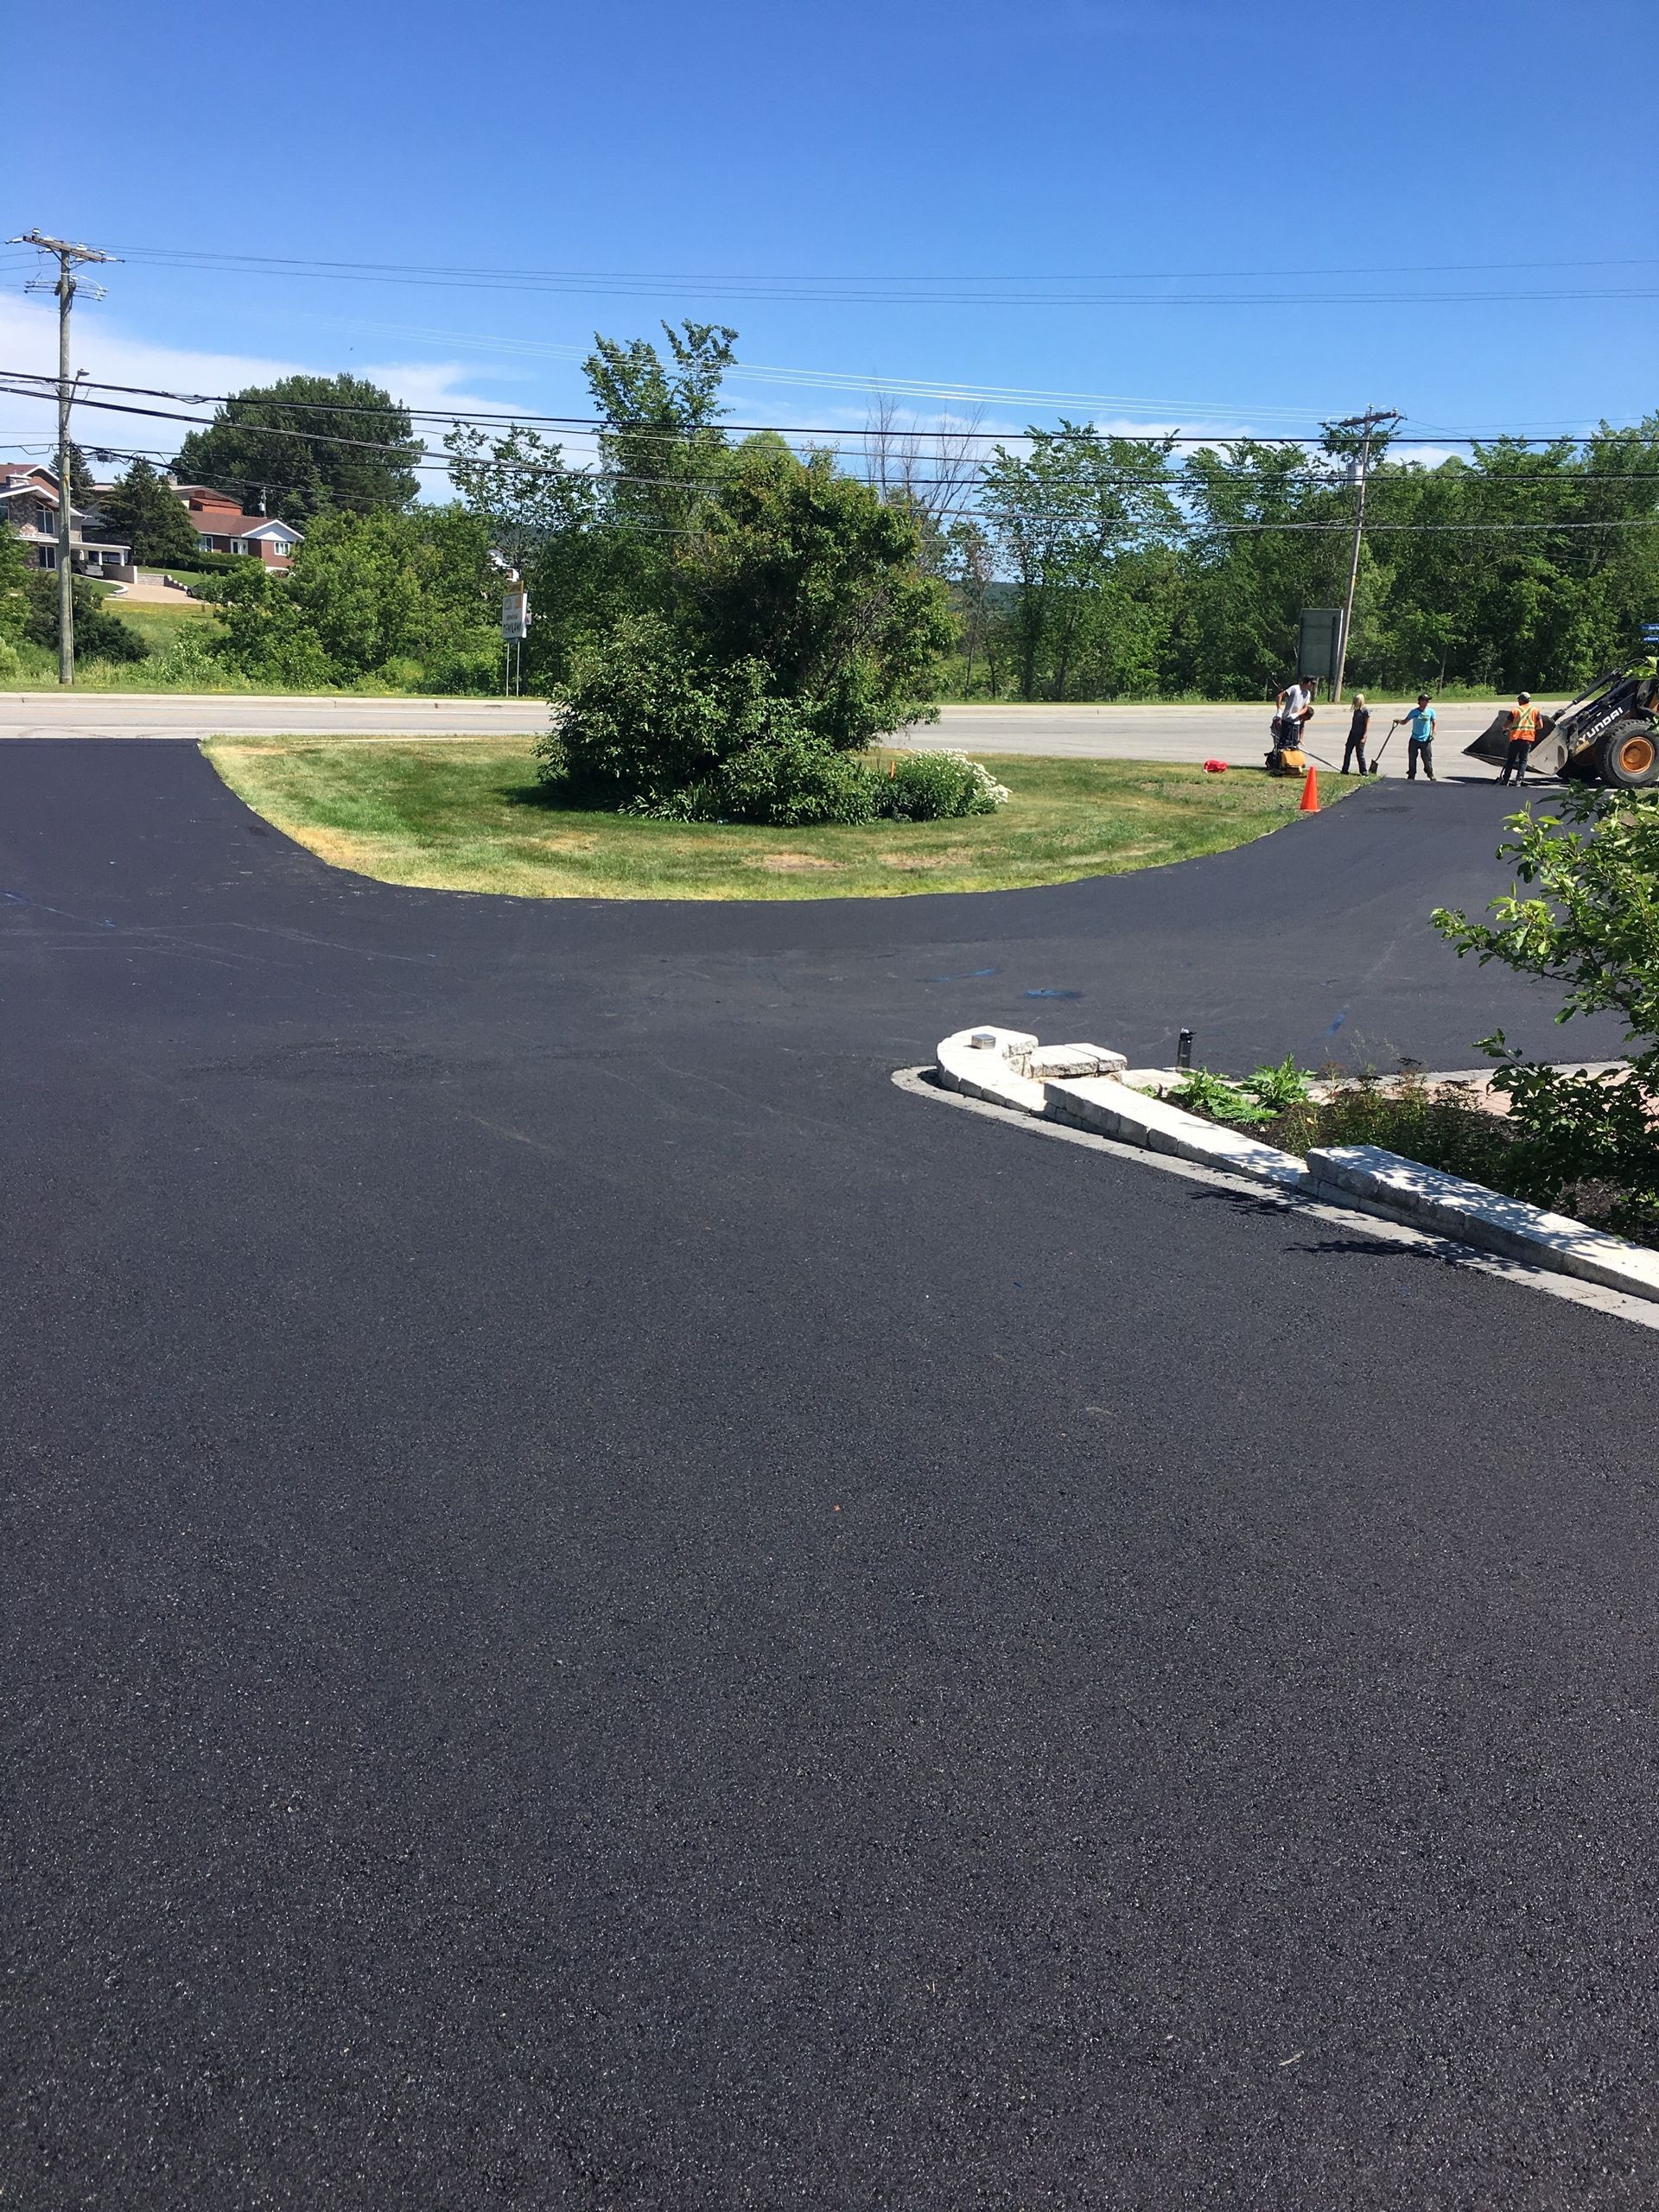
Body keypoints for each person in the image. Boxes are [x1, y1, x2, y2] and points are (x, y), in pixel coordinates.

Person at [1497, 690, 1539, 785]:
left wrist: (1505, 730)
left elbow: (1505, 725)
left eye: (1519, 700)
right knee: (1523, 761)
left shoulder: (1515, 711)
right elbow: (1540, 725)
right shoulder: (1535, 711)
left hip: (1515, 739)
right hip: (1528, 739)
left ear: (1521, 700)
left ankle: (1506, 780)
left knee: (1510, 760)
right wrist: (1532, 728)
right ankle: (1519, 781)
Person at [1402, 693, 1437, 782]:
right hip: (1414, 739)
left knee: (1427, 758)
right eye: (1424, 701)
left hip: (1426, 740)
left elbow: (1434, 723)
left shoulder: (1431, 712)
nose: (1426, 703)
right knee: (1412, 758)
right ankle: (1411, 775)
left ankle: (1430, 773)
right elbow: (1405, 721)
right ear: (1420, 702)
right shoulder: (1414, 712)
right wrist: (1399, 721)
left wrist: (1433, 733)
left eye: (1427, 701)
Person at [1342, 692, 1371, 775]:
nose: (1355, 702)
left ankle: (1364, 771)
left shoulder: (1365, 711)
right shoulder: (1356, 711)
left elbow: (1367, 725)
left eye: (1356, 701)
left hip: (1360, 735)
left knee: (1360, 754)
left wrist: (1364, 737)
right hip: (1352, 734)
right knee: (1347, 752)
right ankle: (1344, 770)